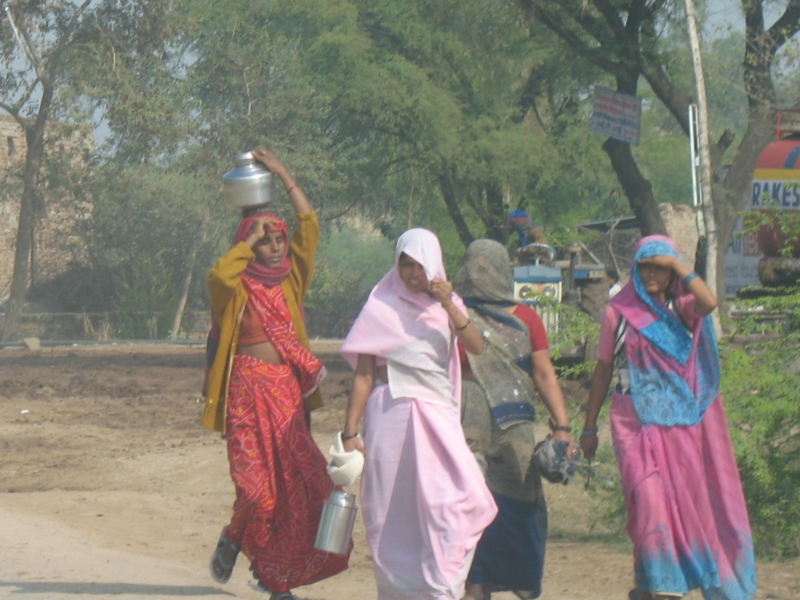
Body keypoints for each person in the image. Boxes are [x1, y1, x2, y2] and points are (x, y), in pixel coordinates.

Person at [201, 149, 349, 600]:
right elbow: (216, 275)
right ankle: (235, 536)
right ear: (247, 245)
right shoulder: (236, 287)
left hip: (286, 397)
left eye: (278, 239)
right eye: (265, 240)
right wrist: (247, 242)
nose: (276, 245)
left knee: (301, 491)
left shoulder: (291, 280)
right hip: (245, 392)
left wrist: (284, 174)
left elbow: (310, 227)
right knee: (256, 494)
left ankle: (276, 579)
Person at [580, 235, 757, 600]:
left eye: (659, 266)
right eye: (644, 266)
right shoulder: (620, 311)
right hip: (632, 421)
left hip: (680, 424)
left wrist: (678, 264)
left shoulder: (683, 306)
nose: (651, 274)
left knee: (683, 504)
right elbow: (602, 372)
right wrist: (588, 427)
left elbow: (710, 301)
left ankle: (652, 587)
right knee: (648, 502)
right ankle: (662, 586)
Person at [339, 228, 498, 600]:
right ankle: (399, 590)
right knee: (390, 509)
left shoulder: (449, 304)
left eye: (421, 266)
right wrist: (350, 431)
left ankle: (441, 587)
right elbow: (364, 374)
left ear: (435, 265)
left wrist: (448, 305)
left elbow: (476, 347)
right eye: (406, 265)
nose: (414, 274)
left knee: (458, 500)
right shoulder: (381, 304)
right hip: (389, 412)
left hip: (438, 414)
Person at [452, 239, 577, 600]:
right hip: (465, 427)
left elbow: (543, 374)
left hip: (515, 430)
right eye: (472, 266)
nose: (478, 275)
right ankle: (475, 588)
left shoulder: (525, 317)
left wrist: (562, 427)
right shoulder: (455, 315)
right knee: (469, 509)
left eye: (486, 267)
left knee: (518, 508)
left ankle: (522, 583)